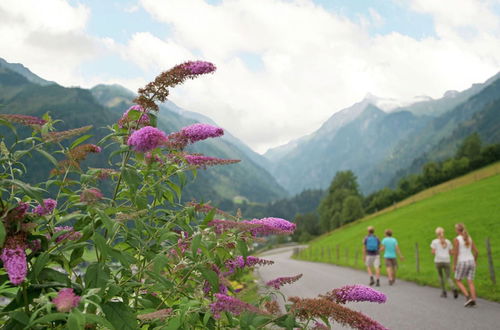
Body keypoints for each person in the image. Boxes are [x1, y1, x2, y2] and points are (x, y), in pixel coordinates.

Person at [453, 223, 479, 307]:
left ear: (457, 230)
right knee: (470, 281)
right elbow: (476, 252)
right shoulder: (469, 238)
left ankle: (468, 297)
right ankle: (474, 300)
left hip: (462, 262)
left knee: (457, 280)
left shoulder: (457, 239)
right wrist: (475, 261)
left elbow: (456, 253)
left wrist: (454, 264)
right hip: (471, 261)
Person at [430, 227, 458, 298]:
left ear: (436, 234)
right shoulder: (448, 241)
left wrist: (436, 251)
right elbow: (451, 252)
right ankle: (453, 287)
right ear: (443, 233)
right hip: (446, 261)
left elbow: (433, 252)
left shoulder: (434, 241)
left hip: (438, 261)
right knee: (448, 277)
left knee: (440, 276)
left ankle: (444, 292)